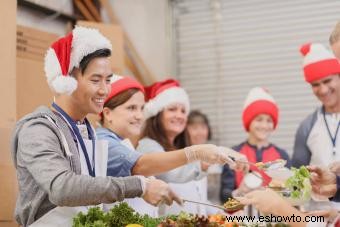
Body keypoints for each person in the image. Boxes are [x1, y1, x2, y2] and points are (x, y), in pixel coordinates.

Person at [10, 26, 181, 226]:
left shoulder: (88, 131)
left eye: (107, 80)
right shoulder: (38, 129)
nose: (104, 90)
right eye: (95, 80)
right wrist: (140, 186)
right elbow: (62, 188)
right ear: (67, 82)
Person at [96, 76, 239, 216]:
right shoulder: (105, 142)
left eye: (141, 108)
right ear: (107, 113)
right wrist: (197, 154)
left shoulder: (125, 144)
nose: (140, 116)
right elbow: (140, 165)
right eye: (132, 108)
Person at [136, 79, 247, 215]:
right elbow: (171, 172)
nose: (179, 115)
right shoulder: (147, 146)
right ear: (157, 114)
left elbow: (201, 202)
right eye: (172, 109)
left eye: (183, 111)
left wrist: (228, 218)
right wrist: (204, 162)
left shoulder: (182, 151)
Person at [220, 87, 291, 202]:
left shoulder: (282, 156)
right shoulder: (234, 154)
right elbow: (223, 197)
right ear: (249, 122)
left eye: (269, 120)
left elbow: (291, 194)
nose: (264, 125)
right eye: (259, 119)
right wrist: (239, 192)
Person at [292, 43, 340, 168]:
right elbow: (298, 175)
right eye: (315, 84)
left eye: (327, 81)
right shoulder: (306, 127)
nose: (323, 90)